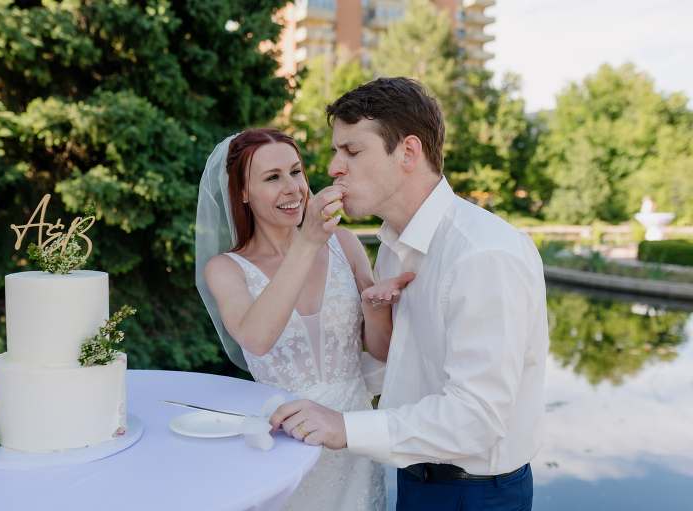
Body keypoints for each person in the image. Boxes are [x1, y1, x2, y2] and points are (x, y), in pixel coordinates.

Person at [269, 77, 550, 511]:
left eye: (351, 150)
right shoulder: (394, 248)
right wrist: (313, 392)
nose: (333, 168)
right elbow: (407, 362)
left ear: (408, 152)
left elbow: (477, 419)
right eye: (334, 151)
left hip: (475, 494)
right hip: (416, 477)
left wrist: (346, 426)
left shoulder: (484, 255)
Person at [195, 128, 412, 511]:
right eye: (272, 177)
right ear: (242, 192)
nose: (292, 188)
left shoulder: (345, 244)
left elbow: (379, 349)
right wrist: (308, 241)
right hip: (284, 442)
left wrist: (375, 309)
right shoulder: (227, 269)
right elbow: (256, 337)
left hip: (354, 437)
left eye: (296, 171)